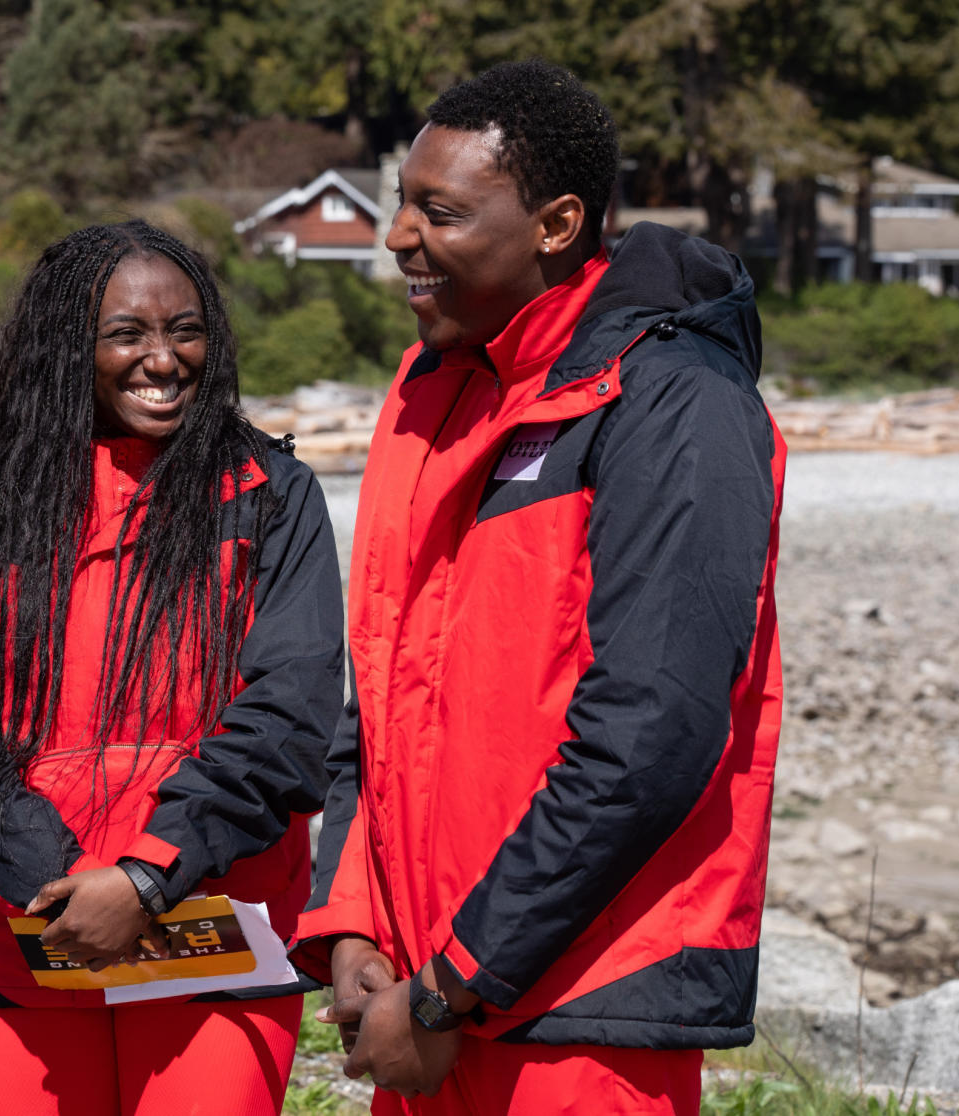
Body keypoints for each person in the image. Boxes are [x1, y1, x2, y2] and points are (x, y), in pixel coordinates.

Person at [291, 60, 786, 1115]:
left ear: (556, 223)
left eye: (440, 212)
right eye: (398, 207)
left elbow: (649, 734)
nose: (397, 238)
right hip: (428, 994)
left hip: (576, 1014)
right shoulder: (429, 389)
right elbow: (374, 703)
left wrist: (451, 987)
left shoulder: (672, 403)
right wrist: (351, 929)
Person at [0, 219, 345, 1116]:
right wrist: (54, 886)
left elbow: (289, 713)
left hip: (212, 930)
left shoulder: (270, 497)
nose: (164, 360)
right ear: (67, 346)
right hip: (34, 932)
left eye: (186, 330)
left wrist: (146, 875)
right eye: (126, 334)